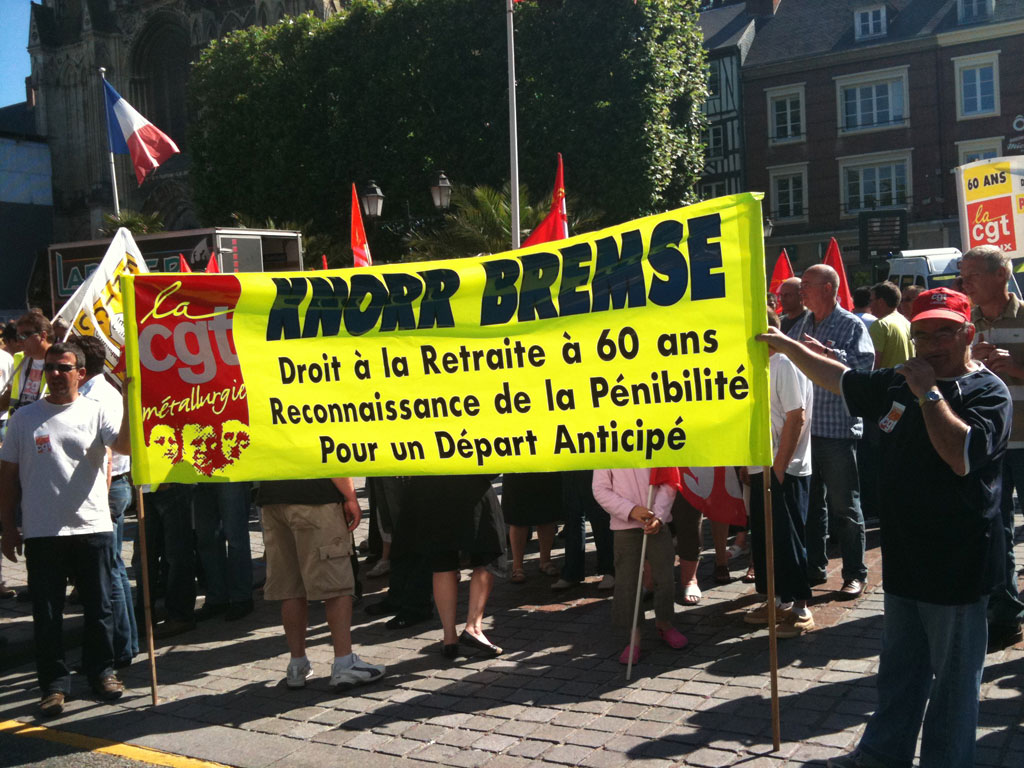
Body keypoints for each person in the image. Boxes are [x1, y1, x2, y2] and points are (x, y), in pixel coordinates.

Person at [759, 288, 1010, 768]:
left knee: (954, 687)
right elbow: (843, 380)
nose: (930, 343)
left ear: (968, 334)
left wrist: (929, 394)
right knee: (900, 674)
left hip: (958, 566)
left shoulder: (986, 393)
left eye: (944, 332)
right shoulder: (897, 382)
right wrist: (790, 346)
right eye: (921, 334)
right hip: (904, 559)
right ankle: (880, 755)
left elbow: (960, 457)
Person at [0, 341, 132, 716]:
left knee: (99, 607)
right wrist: (9, 527)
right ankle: (54, 685)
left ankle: (101, 672)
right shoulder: (24, 419)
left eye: (64, 368)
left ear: (81, 374)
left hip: (92, 526)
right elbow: (7, 477)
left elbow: (123, 445)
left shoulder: (95, 411)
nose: (56, 375)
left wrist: (132, 401)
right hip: (43, 532)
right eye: (51, 368)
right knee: (47, 613)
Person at [787, 264, 874, 599]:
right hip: (806, 430)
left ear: (828, 287)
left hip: (837, 431)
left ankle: (855, 573)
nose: (801, 290)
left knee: (845, 507)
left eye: (806, 285)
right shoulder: (802, 324)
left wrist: (828, 354)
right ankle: (814, 567)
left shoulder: (851, 325)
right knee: (811, 507)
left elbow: (864, 370)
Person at [256, 477, 385, 690]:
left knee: (291, 586)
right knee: (337, 585)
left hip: (272, 498)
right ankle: (344, 662)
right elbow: (330, 450)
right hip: (316, 497)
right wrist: (350, 496)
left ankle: (297, 663)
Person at [959, 244, 1024, 650]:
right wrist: (970, 366)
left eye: (972, 276)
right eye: (962, 276)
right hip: (993, 445)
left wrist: (1014, 368)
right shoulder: (967, 322)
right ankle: (1007, 612)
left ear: (1001, 274)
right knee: (997, 532)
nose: (964, 284)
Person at [741, 310, 814, 637]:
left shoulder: (784, 363)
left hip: (783, 468)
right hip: (762, 466)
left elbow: (795, 417)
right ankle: (778, 601)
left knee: (787, 539)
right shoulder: (758, 366)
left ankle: (800, 609)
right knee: (767, 539)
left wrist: (780, 468)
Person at [76, 335, 138, 667]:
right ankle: (124, 642)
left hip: (109, 486)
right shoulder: (97, 392)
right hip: (111, 485)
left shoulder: (97, 396)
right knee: (111, 567)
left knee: (109, 569)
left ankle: (120, 646)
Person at [404, 475, 505, 659]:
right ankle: (473, 627)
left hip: (431, 488)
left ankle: (449, 637)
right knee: (487, 554)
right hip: (471, 486)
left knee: (442, 560)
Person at [592, 468, 688, 664]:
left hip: (657, 524)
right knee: (627, 582)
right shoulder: (608, 446)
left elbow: (670, 480)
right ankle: (633, 635)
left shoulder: (655, 438)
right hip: (624, 526)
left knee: (665, 576)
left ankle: (664, 622)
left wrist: (659, 515)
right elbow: (600, 489)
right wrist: (630, 510)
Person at [193, 480, 255, 621]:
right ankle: (217, 598)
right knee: (207, 539)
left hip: (231, 474)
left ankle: (242, 598)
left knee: (235, 538)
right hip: (200, 473)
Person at [551, 470, 615, 591]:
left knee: (599, 517)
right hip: (570, 464)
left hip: (593, 463)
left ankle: (609, 570)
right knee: (572, 518)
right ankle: (571, 572)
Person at [503, 472, 562, 584]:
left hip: (546, 469)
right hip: (517, 468)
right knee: (518, 518)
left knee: (547, 516)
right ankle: (517, 567)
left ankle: (545, 561)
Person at [867, 281, 912, 369]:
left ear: (880, 302)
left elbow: (873, 364)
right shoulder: (907, 323)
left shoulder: (880, 325)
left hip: (886, 382)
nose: (869, 305)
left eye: (871, 300)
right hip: (906, 381)